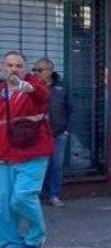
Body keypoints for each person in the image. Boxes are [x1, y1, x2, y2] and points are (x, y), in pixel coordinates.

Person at [0, 50, 54, 248]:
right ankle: (11, 244)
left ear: (25, 68)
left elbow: (41, 95)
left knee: (22, 197)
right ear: (3, 67)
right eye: (9, 65)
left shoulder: (35, 86)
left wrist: (22, 85)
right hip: (5, 156)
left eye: (18, 65)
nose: (13, 69)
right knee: (3, 203)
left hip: (33, 154)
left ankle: (35, 238)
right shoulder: (2, 91)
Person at [34, 59, 71, 207]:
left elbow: (71, 108)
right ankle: (37, 195)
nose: (36, 73)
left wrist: (67, 129)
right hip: (38, 134)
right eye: (34, 70)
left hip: (59, 133)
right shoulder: (32, 86)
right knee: (39, 165)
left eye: (39, 70)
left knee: (56, 165)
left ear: (50, 70)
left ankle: (53, 195)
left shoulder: (62, 87)